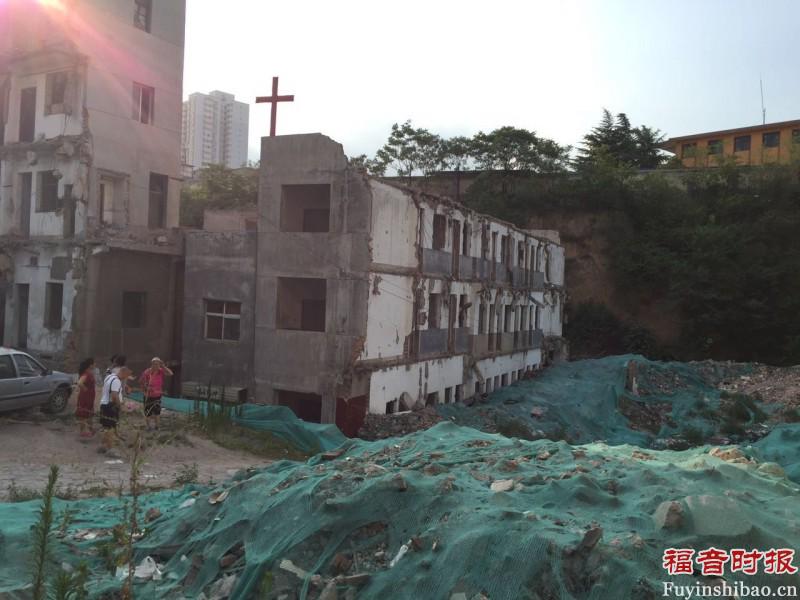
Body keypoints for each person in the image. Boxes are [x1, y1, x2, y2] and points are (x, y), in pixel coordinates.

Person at [99, 365, 131, 454]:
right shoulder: (116, 381)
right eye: (126, 376)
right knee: (110, 428)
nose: (126, 378)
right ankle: (110, 449)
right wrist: (120, 406)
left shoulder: (109, 377)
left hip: (104, 404)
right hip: (111, 406)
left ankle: (103, 446)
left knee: (106, 427)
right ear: (123, 372)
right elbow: (114, 395)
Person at [139, 357, 172, 430]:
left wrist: (163, 366)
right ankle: (148, 426)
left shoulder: (161, 371)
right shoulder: (147, 372)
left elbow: (170, 373)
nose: (157, 366)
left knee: (157, 411)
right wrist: (145, 388)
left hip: (157, 395)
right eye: (155, 364)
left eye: (158, 364)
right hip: (148, 395)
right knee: (148, 412)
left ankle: (157, 426)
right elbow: (141, 381)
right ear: (152, 364)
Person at [75, 357, 96, 438]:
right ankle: (82, 432)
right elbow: (79, 383)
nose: (95, 364)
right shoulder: (86, 374)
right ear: (90, 365)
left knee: (90, 413)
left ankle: (91, 429)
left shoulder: (89, 373)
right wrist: (85, 389)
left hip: (89, 397)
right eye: (94, 363)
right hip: (85, 397)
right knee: (83, 415)